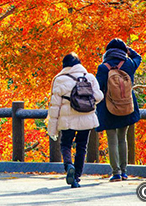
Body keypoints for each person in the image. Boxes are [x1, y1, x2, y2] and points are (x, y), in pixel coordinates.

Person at [47, 52, 104, 188]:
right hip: (86, 117)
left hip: (68, 120)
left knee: (66, 144)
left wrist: (52, 128)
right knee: (81, 146)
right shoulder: (89, 77)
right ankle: (77, 177)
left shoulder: (59, 80)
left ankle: (69, 165)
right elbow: (99, 96)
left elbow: (54, 106)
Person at [95, 38, 142, 182]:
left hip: (109, 107)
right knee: (123, 138)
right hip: (127, 106)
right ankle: (124, 171)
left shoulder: (103, 68)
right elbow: (138, 57)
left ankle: (115, 172)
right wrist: (128, 50)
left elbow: (98, 87)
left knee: (112, 139)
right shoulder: (128, 64)